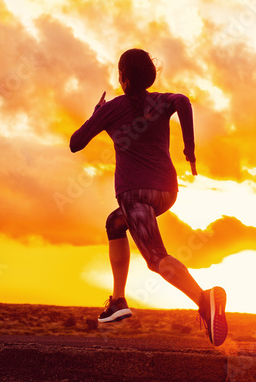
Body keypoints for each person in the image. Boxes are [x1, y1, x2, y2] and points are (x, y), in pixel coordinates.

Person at [69, 48, 227, 346]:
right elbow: (182, 100)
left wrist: (96, 115)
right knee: (115, 224)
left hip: (134, 193)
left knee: (156, 258)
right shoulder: (161, 101)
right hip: (166, 193)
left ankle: (204, 300)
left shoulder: (112, 108)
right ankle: (117, 301)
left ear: (123, 77)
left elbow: (76, 143)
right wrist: (189, 150)